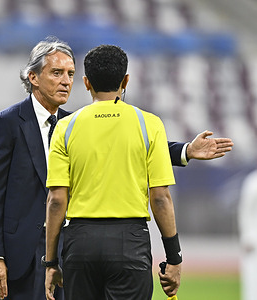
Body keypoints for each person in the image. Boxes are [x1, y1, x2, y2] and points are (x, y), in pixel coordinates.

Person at [0, 37, 232, 300]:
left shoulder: (71, 124)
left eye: (71, 74)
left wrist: (186, 150)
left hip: (70, 254)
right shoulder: (5, 125)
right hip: (24, 259)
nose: (66, 81)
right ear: (33, 77)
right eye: (56, 73)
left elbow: (130, 144)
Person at [44, 44, 181, 300]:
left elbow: (56, 200)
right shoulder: (149, 124)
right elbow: (160, 197)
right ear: (125, 79)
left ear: (86, 82)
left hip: (79, 242)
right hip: (130, 241)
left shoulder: (65, 127)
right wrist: (174, 257)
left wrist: (50, 262)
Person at [238, 168, 257, 300]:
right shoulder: (252, 182)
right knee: (252, 283)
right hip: (254, 242)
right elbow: (244, 210)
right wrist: (246, 237)